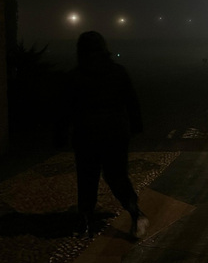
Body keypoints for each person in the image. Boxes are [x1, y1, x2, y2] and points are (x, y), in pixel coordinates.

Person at [63, 31, 149, 239]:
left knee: (87, 178)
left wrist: (62, 133)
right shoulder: (117, 72)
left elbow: (66, 109)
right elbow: (131, 101)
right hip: (114, 133)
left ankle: (85, 217)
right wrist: (135, 126)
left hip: (88, 134)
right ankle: (135, 213)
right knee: (116, 176)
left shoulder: (76, 76)